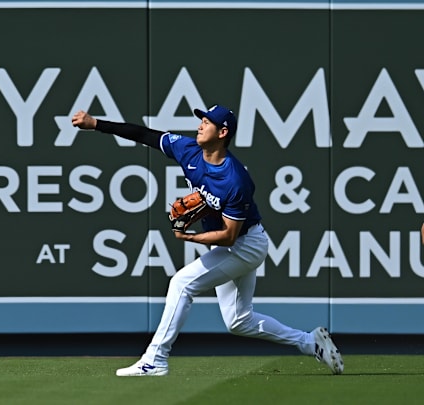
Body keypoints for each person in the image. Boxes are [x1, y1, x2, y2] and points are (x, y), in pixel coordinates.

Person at [71, 105, 344, 376]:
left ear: (222, 132)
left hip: (244, 245)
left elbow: (229, 236)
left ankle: (155, 359)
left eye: (207, 121)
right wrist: (96, 124)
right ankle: (310, 342)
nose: (201, 124)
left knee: (181, 284)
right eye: (201, 119)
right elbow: (144, 135)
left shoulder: (235, 180)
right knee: (239, 321)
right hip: (235, 243)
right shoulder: (188, 150)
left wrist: (188, 236)